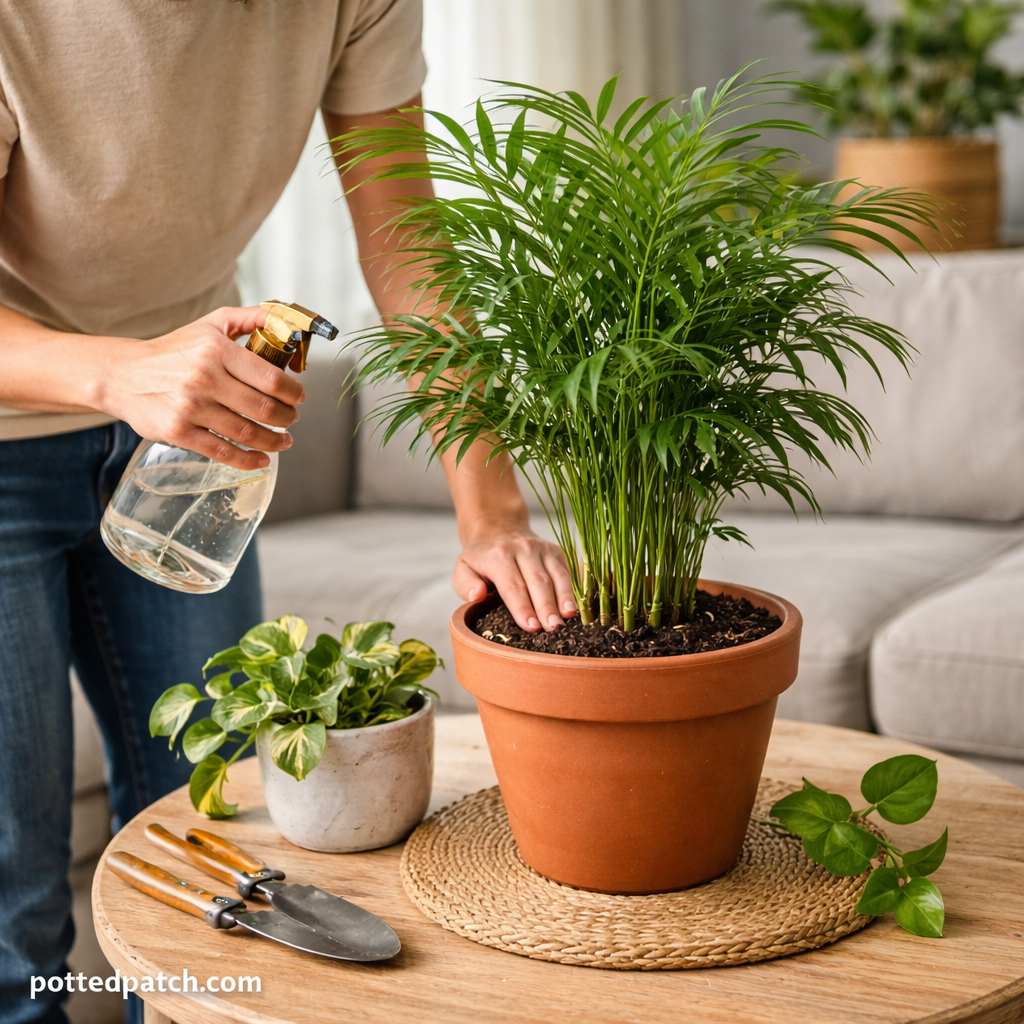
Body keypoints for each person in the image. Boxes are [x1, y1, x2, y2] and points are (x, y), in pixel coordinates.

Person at [0, 4, 575, 1022]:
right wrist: (126, 373)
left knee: (221, 844)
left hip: (187, 426)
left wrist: (493, 515)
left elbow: (409, 247)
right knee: (14, 908)